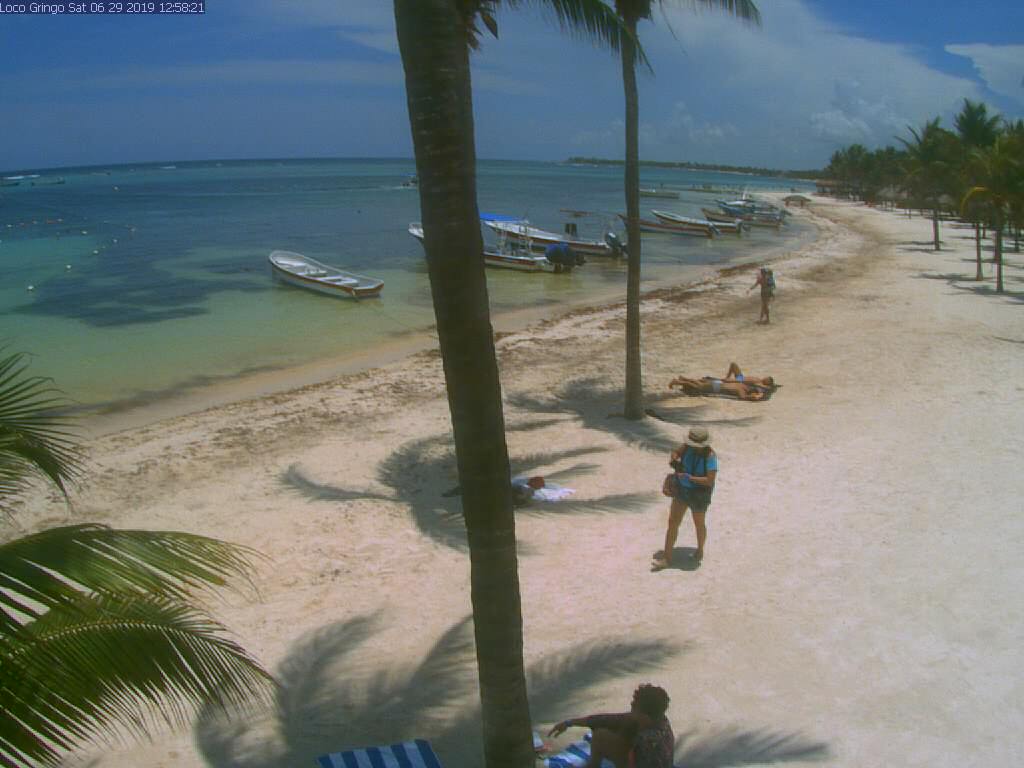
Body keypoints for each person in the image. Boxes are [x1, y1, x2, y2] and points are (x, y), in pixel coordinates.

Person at [548, 684, 674, 768]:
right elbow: (606, 719)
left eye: (634, 706)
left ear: (645, 717)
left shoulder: (647, 741)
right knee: (607, 730)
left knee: (602, 736)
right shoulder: (659, 719)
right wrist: (569, 723)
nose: (631, 706)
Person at [653, 427, 717, 569]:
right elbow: (676, 452)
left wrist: (690, 477)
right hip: (682, 490)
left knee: (699, 523)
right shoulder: (687, 447)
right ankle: (667, 558)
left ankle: (700, 550)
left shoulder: (710, 456)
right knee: (673, 522)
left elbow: (709, 480)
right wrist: (674, 457)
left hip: (699, 494)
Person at [668, 375, 767, 401]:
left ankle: (684, 378)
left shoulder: (742, 385)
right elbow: (743, 397)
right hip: (718, 387)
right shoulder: (741, 390)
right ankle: (678, 382)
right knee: (700, 387)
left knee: (701, 382)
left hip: (719, 382)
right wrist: (754, 397)